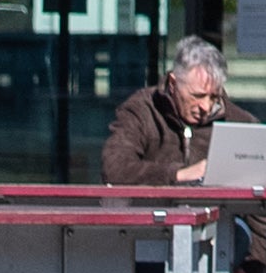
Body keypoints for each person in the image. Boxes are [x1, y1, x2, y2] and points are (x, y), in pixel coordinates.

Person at [99, 33, 254, 186]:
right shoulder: (142, 110)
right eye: (197, 96)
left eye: (214, 97)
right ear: (173, 84)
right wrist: (178, 174)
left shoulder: (240, 123)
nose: (206, 107)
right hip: (157, 208)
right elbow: (114, 169)